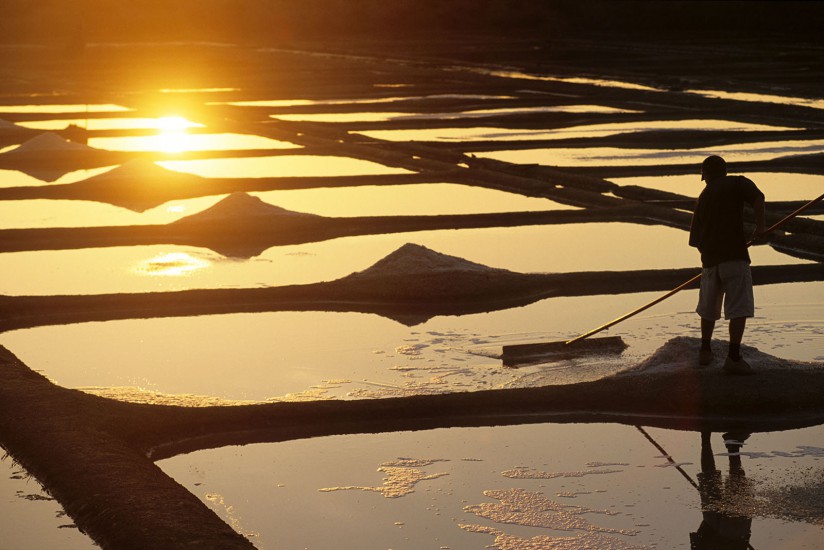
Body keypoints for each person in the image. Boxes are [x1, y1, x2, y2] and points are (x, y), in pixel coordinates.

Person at [689, 155, 766, 375]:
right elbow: (758, 198)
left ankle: (705, 351)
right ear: (724, 170)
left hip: (711, 263)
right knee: (738, 307)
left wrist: (711, 254)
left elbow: (694, 240)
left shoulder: (703, 197)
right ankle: (733, 357)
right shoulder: (738, 182)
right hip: (735, 257)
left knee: (708, 307)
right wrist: (760, 227)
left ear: (707, 176)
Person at [689, 431, 753, 549]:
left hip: (734, 534)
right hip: (714, 531)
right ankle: (706, 436)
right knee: (709, 479)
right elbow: (696, 542)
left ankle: (732, 446)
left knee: (736, 485)